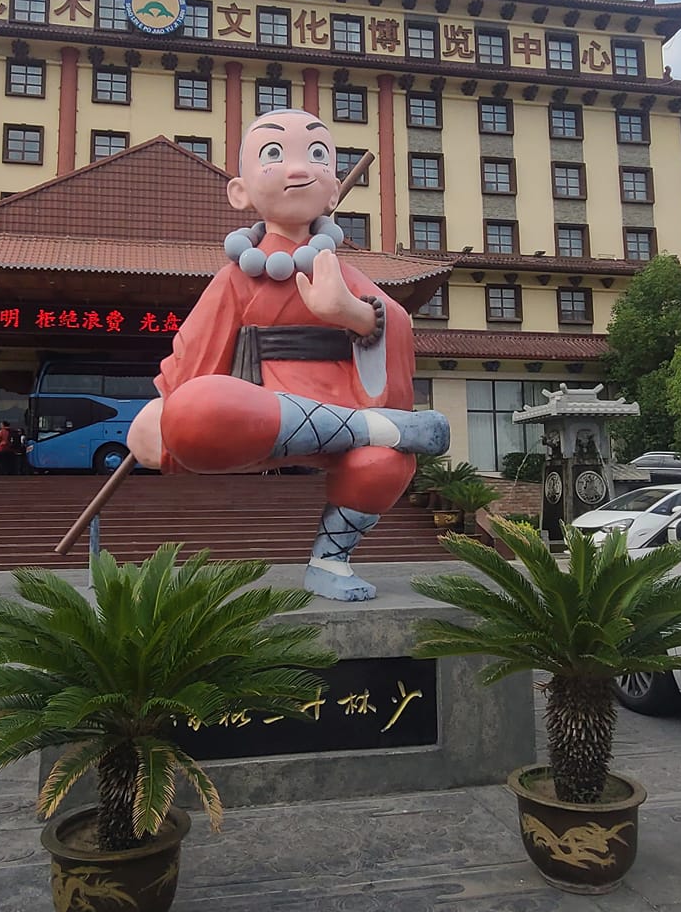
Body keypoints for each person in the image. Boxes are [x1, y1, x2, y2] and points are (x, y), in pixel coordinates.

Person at [124, 110, 450, 602]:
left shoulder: (338, 270)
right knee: (192, 408)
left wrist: (354, 314)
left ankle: (330, 560)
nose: (299, 170)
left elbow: (395, 323)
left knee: (387, 462)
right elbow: (195, 349)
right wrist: (165, 405)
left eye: (316, 155)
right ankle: (378, 427)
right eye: (274, 155)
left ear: (334, 190)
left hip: (341, 397)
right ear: (241, 192)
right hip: (261, 412)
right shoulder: (237, 276)